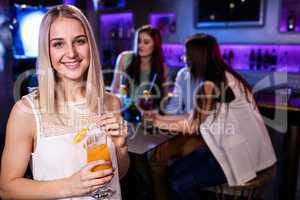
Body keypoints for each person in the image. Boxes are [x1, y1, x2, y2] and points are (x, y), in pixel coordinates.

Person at [0, 5, 129, 199]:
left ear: (90, 46)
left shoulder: (111, 102)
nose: (71, 53)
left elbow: (121, 172)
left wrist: (120, 147)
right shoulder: (26, 111)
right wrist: (70, 186)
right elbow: (7, 189)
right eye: (58, 44)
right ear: (47, 51)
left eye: (79, 41)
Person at [148, 33, 277, 199]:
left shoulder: (211, 85)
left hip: (245, 158)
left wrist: (155, 123)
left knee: (177, 183)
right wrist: (158, 118)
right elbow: (192, 116)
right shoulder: (218, 77)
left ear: (197, 58)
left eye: (186, 54)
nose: (184, 58)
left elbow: (192, 126)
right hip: (227, 149)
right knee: (171, 174)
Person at [111, 24, 168, 111]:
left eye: (146, 42)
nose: (140, 45)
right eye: (138, 41)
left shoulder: (162, 67)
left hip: (150, 114)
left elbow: (165, 99)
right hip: (125, 111)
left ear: (155, 45)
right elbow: (114, 90)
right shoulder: (124, 58)